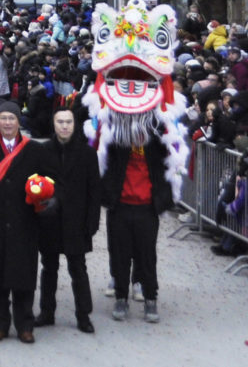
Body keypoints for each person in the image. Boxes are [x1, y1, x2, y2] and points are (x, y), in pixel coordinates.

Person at [0, 102, 54, 343]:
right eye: (4, 118)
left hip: (24, 224)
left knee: (23, 279)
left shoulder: (34, 151)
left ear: (19, 122)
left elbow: (48, 180)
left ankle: (25, 325)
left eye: (12, 119)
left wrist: (50, 202)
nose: (7, 123)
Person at [101, 98, 176, 325]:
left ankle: (150, 298)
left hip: (146, 208)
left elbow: (173, 147)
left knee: (146, 256)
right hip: (120, 206)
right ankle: (121, 297)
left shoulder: (157, 144)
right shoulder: (116, 141)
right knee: (120, 254)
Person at [37, 107, 100, 333]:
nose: (64, 126)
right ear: (54, 125)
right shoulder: (42, 151)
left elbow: (94, 191)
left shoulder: (87, 154)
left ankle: (84, 315)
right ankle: (46, 311)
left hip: (77, 222)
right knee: (48, 268)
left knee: (78, 270)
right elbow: (35, 185)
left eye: (68, 122)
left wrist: (92, 222)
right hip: (50, 221)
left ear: (74, 124)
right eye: (60, 122)